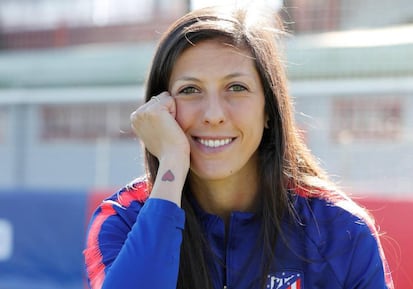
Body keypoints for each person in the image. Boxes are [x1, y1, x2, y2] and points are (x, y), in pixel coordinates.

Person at [83, 4, 394, 289]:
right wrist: (171, 166)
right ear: (161, 108)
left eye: (236, 87)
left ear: (268, 110)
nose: (214, 115)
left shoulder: (341, 230)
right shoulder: (122, 220)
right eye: (190, 90)